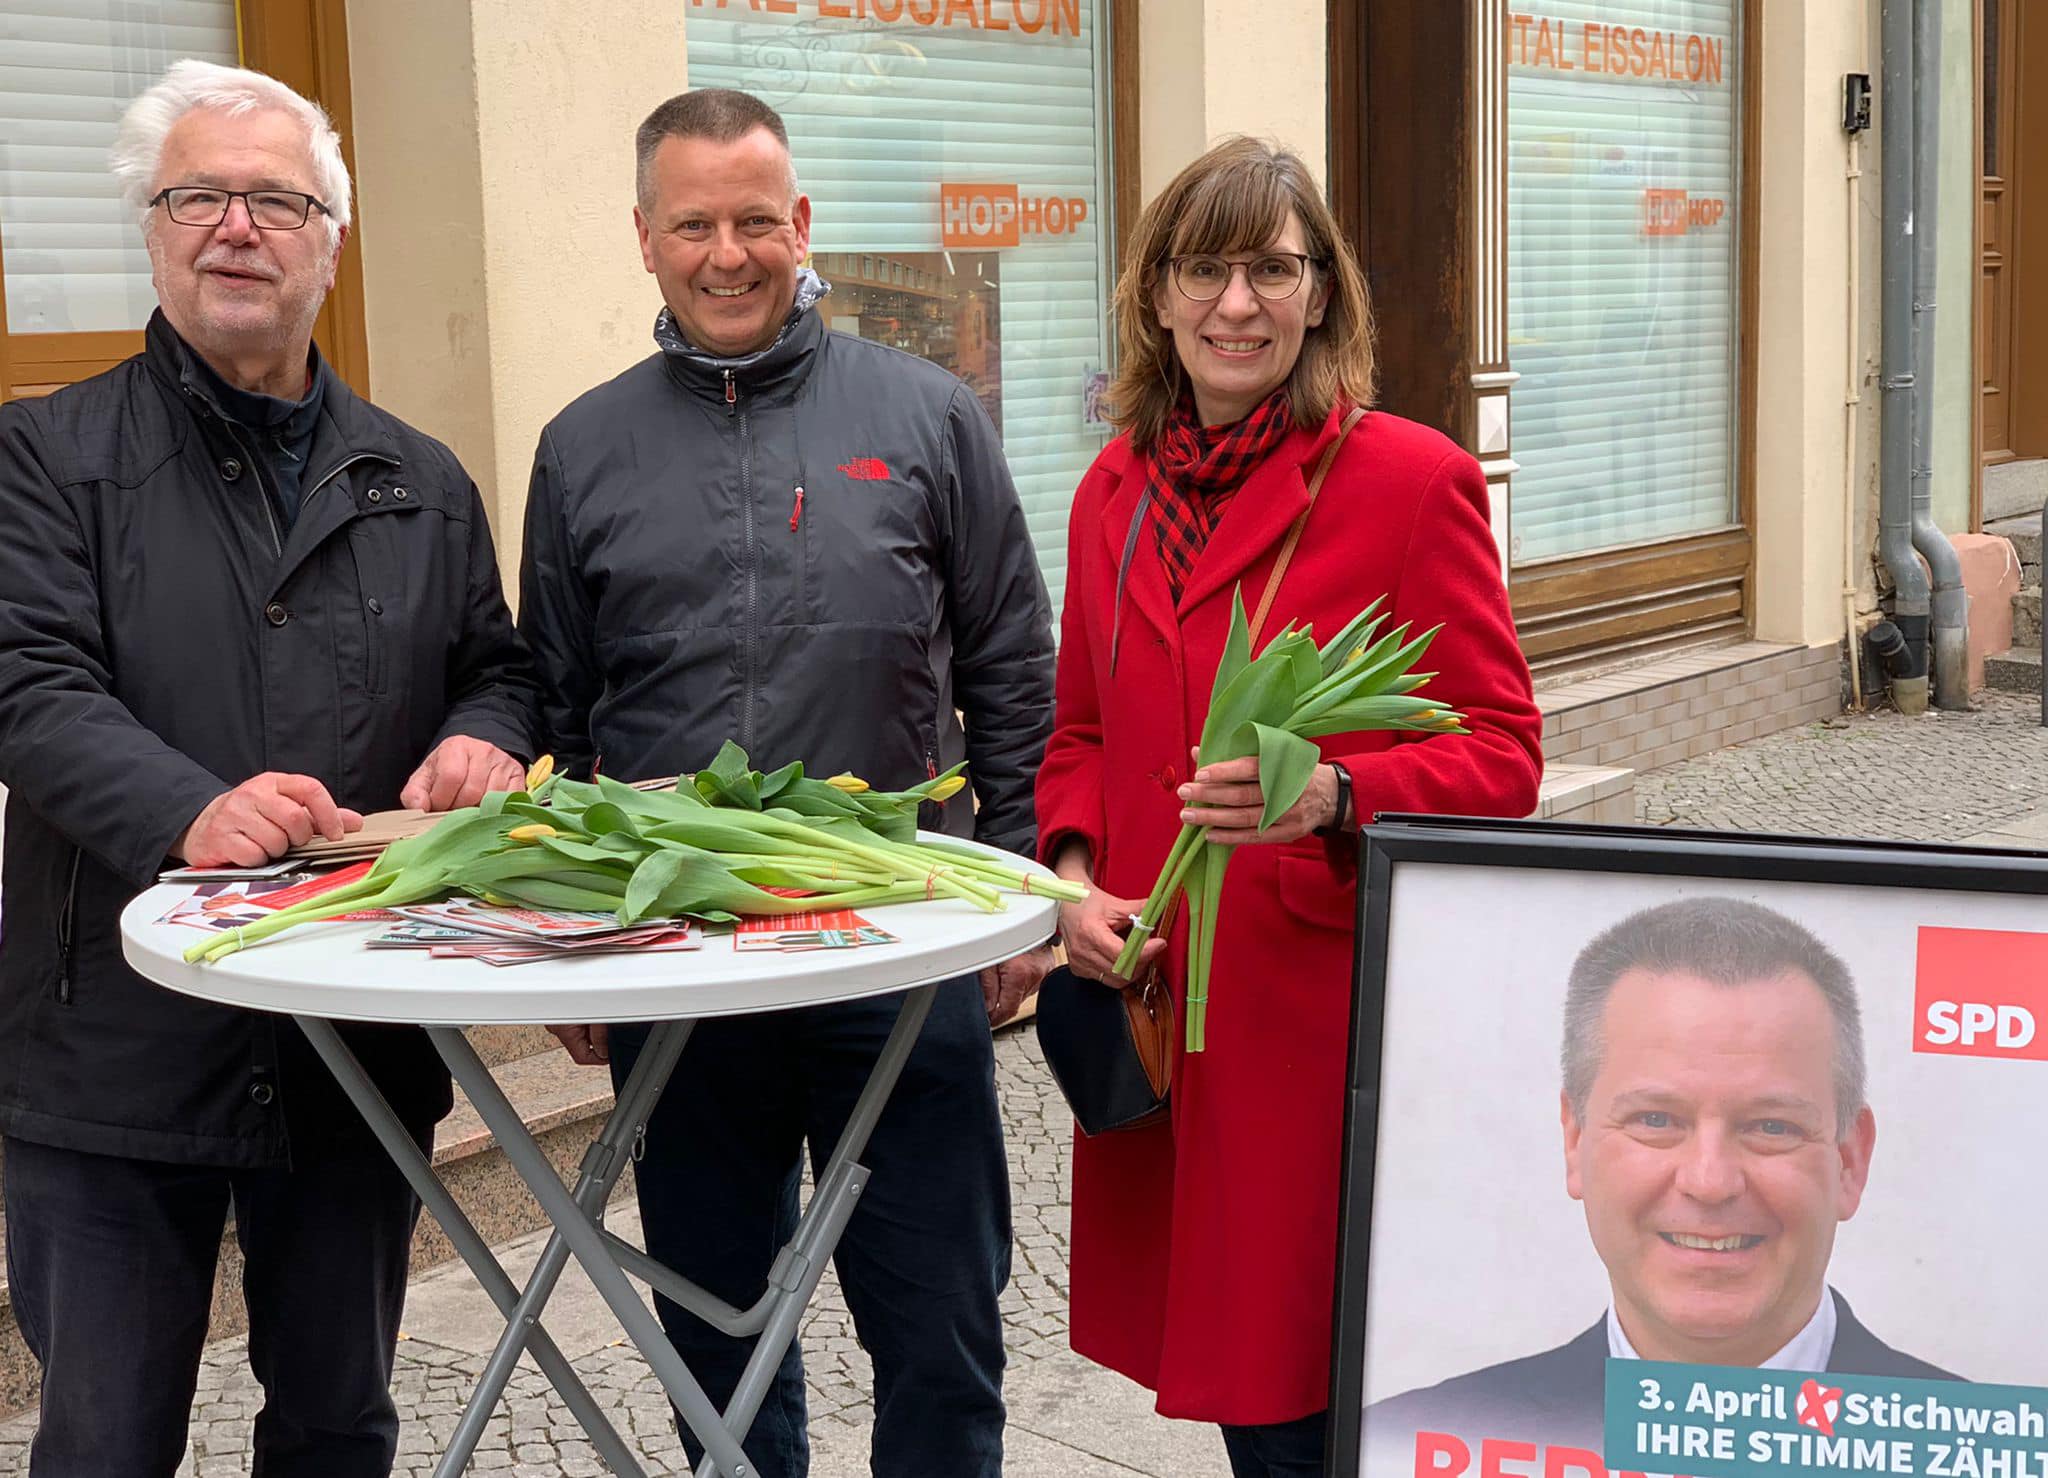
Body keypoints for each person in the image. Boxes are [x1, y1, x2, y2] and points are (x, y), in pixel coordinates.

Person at [0, 61, 539, 1477]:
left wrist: (485, 733)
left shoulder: (418, 477)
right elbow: (27, 681)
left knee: (339, 1424)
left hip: (349, 1042)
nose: (237, 225)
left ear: (331, 237)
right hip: (112, 1046)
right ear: (153, 227)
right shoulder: (47, 455)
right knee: (107, 1441)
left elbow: (498, 661)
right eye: (198, 196)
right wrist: (189, 805)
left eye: (276, 199)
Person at [520, 88, 1055, 1477]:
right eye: (693, 223)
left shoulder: (929, 415)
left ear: (802, 224)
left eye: (756, 219)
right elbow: (558, 720)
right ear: (645, 237)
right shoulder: (583, 449)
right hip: (680, 961)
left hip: (898, 938)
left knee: (937, 1315)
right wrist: (576, 953)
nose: (728, 252)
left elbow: (1012, 666)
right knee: (717, 1325)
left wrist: (1029, 890)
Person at [1034, 136, 1546, 1478]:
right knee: (1239, 1394)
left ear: (1323, 294)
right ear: (1156, 296)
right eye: (1206, 268)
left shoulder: (1408, 479)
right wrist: (1075, 881)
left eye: (1272, 267)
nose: (1237, 303)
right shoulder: (1112, 496)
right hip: (1163, 1017)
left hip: (1321, 1038)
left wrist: (1336, 793)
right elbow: (1078, 729)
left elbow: (1503, 755)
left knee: (1312, 1405)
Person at [1363, 897, 1953, 1467]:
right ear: (1576, 1140)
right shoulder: (1409, 1441)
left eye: (1771, 1126)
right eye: (1656, 1120)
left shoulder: (1987, 1456)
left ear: (1850, 1160)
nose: (1710, 1181)